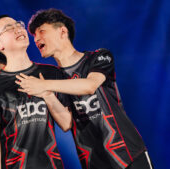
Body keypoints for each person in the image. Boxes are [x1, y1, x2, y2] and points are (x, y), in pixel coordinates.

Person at [14, 8, 153, 169]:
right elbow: (66, 123)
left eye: (41, 31)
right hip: (94, 162)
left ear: (62, 31)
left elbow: (90, 85)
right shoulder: (55, 78)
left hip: (128, 154)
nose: (36, 39)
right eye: (34, 36)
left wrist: (44, 85)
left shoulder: (99, 57)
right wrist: (47, 95)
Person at [0, 15, 72, 169]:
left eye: (18, 24)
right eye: (9, 28)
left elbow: (66, 123)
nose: (18, 28)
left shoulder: (51, 73)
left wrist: (46, 93)